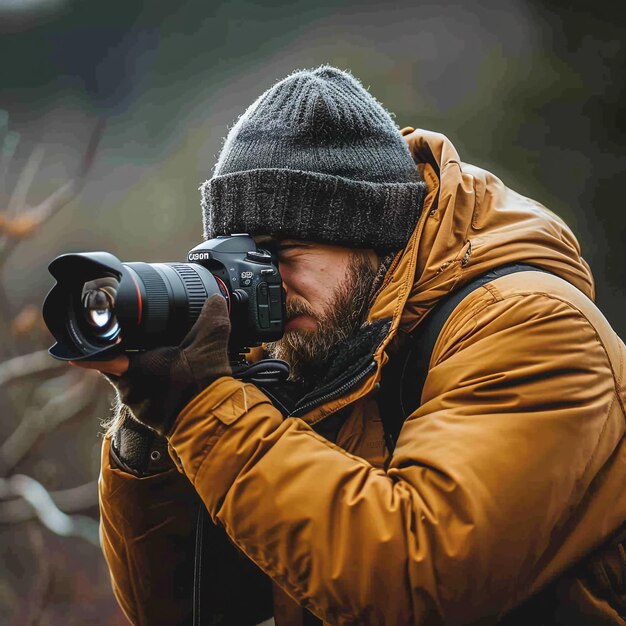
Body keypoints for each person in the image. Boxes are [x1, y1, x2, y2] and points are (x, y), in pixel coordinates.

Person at [82, 66, 626, 625]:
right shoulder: (313, 346)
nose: (265, 286)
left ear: (376, 238)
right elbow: (186, 610)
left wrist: (206, 410)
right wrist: (154, 428)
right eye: (241, 260)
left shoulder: (529, 327)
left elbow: (418, 585)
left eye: (284, 253)